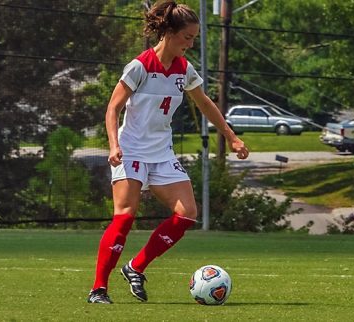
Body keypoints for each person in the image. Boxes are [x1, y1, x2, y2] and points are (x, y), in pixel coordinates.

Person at [87, 0, 249, 304]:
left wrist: (231, 137)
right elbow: (113, 108)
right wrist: (113, 145)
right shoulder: (139, 67)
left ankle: (135, 266)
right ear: (170, 33)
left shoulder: (184, 69)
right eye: (187, 37)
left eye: (193, 38)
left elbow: (204, 103)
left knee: (187, 214)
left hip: (161, 153)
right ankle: (99, 289)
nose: (190, 43)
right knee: (124, 217)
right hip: (132, 150)